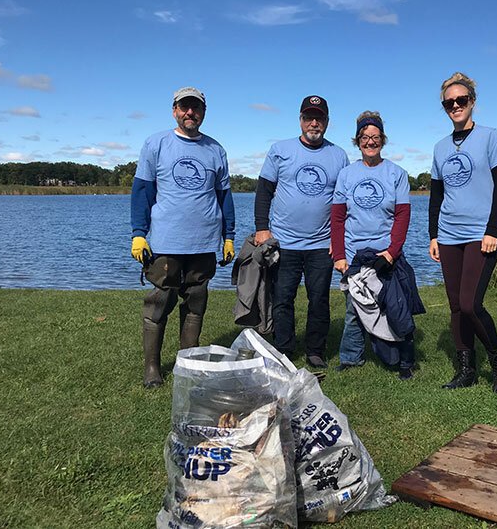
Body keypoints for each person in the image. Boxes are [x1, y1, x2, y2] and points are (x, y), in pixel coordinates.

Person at [131, 86, 235, 388]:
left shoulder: (216, 150)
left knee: (196, 303)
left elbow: (224, 196)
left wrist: (228, 235)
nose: (190, 112)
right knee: (160, 301)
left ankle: (187, 364)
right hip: (165, 241)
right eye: (184, 107)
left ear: (203, 112)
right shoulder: (156, 144)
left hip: (204, 242)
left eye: (196, 107)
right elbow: (142, 192)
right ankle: (152, 368)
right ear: (174, 110)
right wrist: (139, 234)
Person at [428, 72, 497, 394]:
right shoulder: (440, 147)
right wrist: (433, 235)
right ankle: (466, 369)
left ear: (472, 102)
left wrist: (493, 230)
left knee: (470, 304)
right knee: (454, 305)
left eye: (461, 100)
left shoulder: (491, 138)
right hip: (448, 234)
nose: (455, 106)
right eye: (449, 103)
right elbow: (436, 195)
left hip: (481, 233)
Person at [254, 95, 349, 368]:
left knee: (318, 299)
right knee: (283, 298)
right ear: (300, 120)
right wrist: (262, 228)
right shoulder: (280, 149)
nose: (314, 123)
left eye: (319, 118)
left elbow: (343, 203)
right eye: (309, 117)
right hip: (284, 242)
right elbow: (264, 191)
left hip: (322, 244)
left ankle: (315, 350)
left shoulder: (338, 155)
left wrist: (339, 240)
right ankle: (284, 349)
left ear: (327, 122)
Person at [330, 111, 417, 379]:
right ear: (357, 141)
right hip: (355, 254)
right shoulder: (346, 174)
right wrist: (339, 256)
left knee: (394, 307)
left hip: (385, 254)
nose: (370, 142)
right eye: (365, 137)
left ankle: (405, 360)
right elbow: (337, 217)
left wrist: (392, 252)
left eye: (375, 137)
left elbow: (402, 216)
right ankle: (350, 358)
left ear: (383, 140)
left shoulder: (397, 174)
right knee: (354, 310)